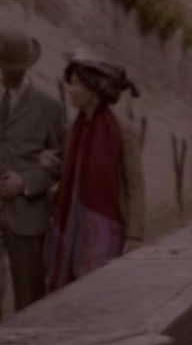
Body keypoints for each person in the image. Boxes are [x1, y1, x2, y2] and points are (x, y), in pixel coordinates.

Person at [0, 31, 68, 326]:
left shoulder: (50, 109)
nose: (13, 73)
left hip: (28, 212)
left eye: (19, 67)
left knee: (29, 296)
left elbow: (62, 162)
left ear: (28, 66)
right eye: (8, 67)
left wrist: (26, 182)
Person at [46, 51, 143, 290]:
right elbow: (72, 169)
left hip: (105, 226)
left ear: (94, 92)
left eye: (76, 84)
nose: (70, 89)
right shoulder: (73, 130)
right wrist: (51, 163)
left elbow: (135, 184)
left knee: (97, 288)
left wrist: (135, 235)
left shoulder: (122, 132)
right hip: (72, 222)